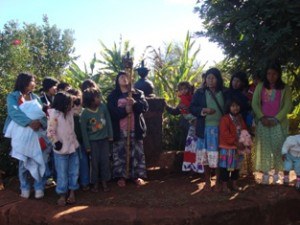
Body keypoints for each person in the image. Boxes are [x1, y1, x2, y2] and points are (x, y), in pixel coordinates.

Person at [3, 73, 47, 199]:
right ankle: (25, 187)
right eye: (33, 81)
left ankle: (39, 187)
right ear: (25, 82)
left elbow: (42, 114)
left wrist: (40, 123)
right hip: (21, 133)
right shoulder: (13, 96)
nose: (35, 83)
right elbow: (14, 112)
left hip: (36, 132)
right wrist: (29, 122)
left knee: (38, 158)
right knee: (23, 161)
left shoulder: (36, 97)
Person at [252, 62, 292, 185]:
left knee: (278, 149)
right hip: (263, 122)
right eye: (269, 73)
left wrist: (276, 119)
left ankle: (276, 175)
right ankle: (265, 175)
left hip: (278, 124)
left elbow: (287, 106)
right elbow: (255, 103)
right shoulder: (260, 86)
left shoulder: (285, 88)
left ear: (279, 74)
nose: (271, 76)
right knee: (264, 149)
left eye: (274, 74)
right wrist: (262, 117)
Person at [107, 71, 149, 187]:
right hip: (120, 130)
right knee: (120, 153)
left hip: (135, 129)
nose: (124, 78)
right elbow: (112, 112)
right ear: (117, 80)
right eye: (121, 76)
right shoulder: (113, 96)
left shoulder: (138, 93)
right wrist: (125, 111)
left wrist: (135, 104)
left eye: (126, 76)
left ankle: (137, 175)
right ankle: (121, 176)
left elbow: (144, 108)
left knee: (137, 152)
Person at [190, 68, 225, 191]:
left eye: (213, 78)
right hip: (204, 129)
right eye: (208, 78)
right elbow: (192, 108)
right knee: (205, 156)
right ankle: (207, 181)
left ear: (218, 79)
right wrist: (204, 110)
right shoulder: (199, 93)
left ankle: (218, 182)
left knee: (218, 156)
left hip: (220, 130)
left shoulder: (224, 92)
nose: (210, 80)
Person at [47, 92, 79, 205]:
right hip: (61, 151)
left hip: (73, 148)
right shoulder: (54, 115)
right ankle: (62, 194)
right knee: (62, 173)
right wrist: (56, 142)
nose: (71, 105)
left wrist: (75, 99)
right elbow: (50, 132)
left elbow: (78, 108)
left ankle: (72, 192)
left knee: (74, 172)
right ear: (63, 104)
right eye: (69, 103)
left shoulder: (69, 112)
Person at [80, 88, 113, 192]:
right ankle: (95, 183)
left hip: (104, 140)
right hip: (93, 142)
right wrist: (87, 146)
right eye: (97, 97)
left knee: (105, 161)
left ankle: (104, 182)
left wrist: (110, 135)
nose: (100, 99)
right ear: (91, 100)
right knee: (94, 163)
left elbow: (108, 121)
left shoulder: (103, 107)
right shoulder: (85, 113)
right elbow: (84, 131)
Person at [218, 98, 249, 193]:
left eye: (237, 106)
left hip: (238, 148)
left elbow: (244, 130)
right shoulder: (225, 119)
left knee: (236, 168)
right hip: (228, 148)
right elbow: (225, 133)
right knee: (226, 168)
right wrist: (236, 143)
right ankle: (224, 186)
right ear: (228, 107)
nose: (235, 108)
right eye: (233, 106)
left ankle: (234, 184)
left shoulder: (240, 118)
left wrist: (244, 142)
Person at [67, 88, 90, 191]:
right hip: (70, 141)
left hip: (82, 140)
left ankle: (84, 182)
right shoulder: (66, 111)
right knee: (72, 163)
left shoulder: (84, 111)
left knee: (83, 161)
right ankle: (73, 183)